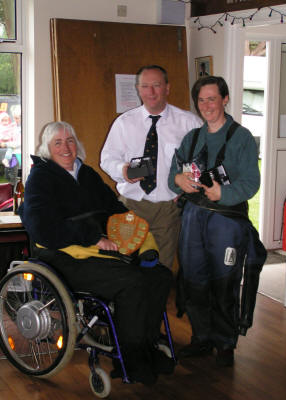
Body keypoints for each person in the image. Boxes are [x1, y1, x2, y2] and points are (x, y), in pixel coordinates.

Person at [19, 121, 175, 385]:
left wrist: (130, 229)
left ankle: (147, 345)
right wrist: (93, 237)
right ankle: (130, 357)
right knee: (132, 282)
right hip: (63, 255)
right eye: (58, 142)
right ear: (46, 149)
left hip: (99, 250)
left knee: (160, 276)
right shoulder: (40, 178)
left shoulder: (87, 174)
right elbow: (42, 229)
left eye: (70, 140)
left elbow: (113, 208)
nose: (66, 147)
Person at [168, 76, 266, 367]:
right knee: (194, 280)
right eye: (201, 100)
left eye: (213, 98)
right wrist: (177, 180)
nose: (207, 105)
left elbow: (251, 181)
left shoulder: (242, 137)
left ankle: (225, 341)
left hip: (227, 221)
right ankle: (201, 337)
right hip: (194, 218)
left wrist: (223, 192)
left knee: (225, 282)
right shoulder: (192, 138)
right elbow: (175, 172)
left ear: (225, 99)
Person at [100, 65, 202, 269]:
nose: (151, 92)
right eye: (145, 86)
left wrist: (187, 189)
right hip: (131, 205)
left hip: (168, 209)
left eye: (156, 85)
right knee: (127, 266)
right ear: (138, 89)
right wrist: (123, 170)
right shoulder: (124, 123)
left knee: (160, 268)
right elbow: (107, 159)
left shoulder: (189, 123)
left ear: (167, 88)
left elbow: (201, 161)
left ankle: (157, 301)